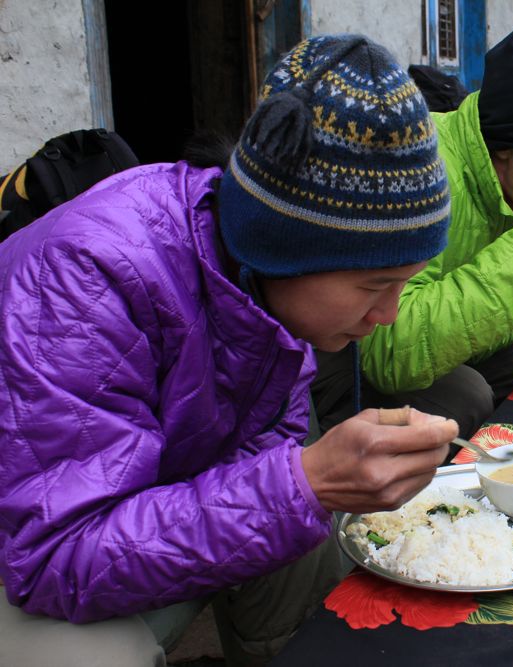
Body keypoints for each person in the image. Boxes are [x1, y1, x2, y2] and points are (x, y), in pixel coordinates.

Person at [0, 35, 457, 667]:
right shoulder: (87, 280)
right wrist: (304, 482)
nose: (389, 316)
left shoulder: (259, 291)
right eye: (375, 286)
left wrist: (303, 484)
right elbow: (56, 556)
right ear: (286, 249)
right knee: (100, 657)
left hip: (127, 498)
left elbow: (261, 451)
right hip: (32, 548)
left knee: (302, 523)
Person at [312, 0, 513, 438]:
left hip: (422, 339)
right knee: (465, 395)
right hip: (333, 358)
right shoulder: (422, 171)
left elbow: (496, 321)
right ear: (506, 145)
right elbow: (389, 352)